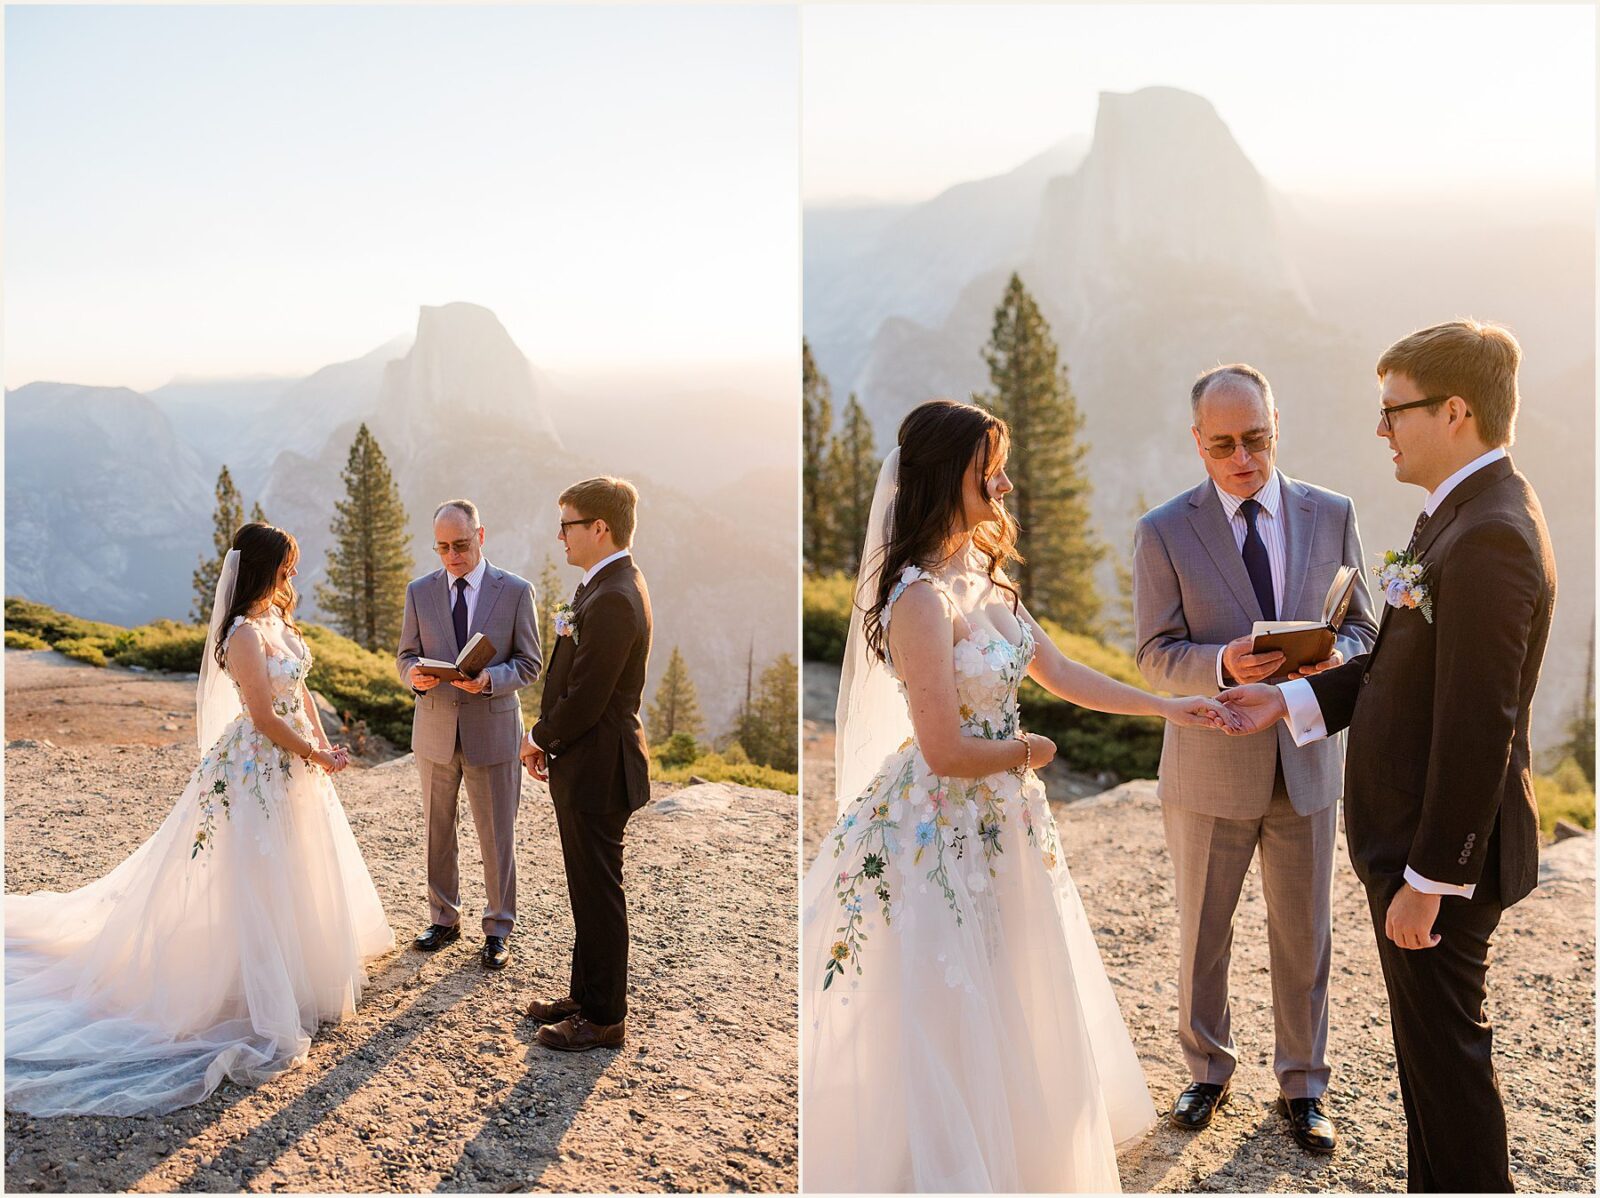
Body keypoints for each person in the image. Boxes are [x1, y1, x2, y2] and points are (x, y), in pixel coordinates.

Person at [801, 398, 1237, 1192]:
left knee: (1013, 980)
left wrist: (1172, 706)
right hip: (944, 829)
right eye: (987, 469)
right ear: (945, 478)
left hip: (1006, 819)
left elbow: (1064, 673)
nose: (1004, 483)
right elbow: (942, 749)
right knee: (949, 992)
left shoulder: (984, 577)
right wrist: (1028, 751)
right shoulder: (919, 601)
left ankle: (1017, 1154)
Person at [1219, 321, 1555, 1192]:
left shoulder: (1491, 534)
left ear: (1454, 411)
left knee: (1448, 1074)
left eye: (1394, 411)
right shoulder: (1461, 512)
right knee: (1428, 1073)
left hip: (1437, 863)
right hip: (1412, 852)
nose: (1382, 431)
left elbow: (1480, 721)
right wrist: (1289, 698)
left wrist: (1432, 877)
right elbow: (1402, 668)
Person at [5, 522, 394, 1116]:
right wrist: (312, 752)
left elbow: (303, 694)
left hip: (297, 760)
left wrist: (324, 743)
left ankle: (295, 973)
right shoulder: (241, 632)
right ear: (265, 567)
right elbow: (263, 715)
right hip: (261, 765)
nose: (295, 572)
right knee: (256, 868)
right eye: (286, 564)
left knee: (298, 862)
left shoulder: (277, 622)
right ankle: (249, 984)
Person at [1132, 364, 1377, 1152]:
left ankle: (1304, 1086)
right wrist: (1222, 664)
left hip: (1307, 763)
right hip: (1208, 766)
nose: (1245, 457)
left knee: (1305, 935)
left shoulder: (1333, 513)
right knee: (1204, 932)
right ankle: (1207, 1070)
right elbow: (1153, 654)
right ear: (1198, 444)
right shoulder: (1163, 530)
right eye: (1226, 444)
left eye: (1259, 439)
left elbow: (1367, 632)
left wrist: (1331, 654)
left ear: (1278, 425)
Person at [520, 477, 653, 1052]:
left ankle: (603, 1017)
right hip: (583, 762)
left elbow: (590, 696)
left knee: (599, 890)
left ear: (600, 528)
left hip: (601, 766)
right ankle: (584, 993)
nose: (561, 537)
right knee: (584, 885)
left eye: (568, 525)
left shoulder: (618, 596)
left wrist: (538, 737)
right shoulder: (600, 586)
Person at [397, 499, 541, 971]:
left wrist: (489, 680)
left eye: (460, 545)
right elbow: (406, 655)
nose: (452, 556)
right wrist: (413, 676)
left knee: (496, 835)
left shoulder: (517, 591)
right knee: (438, 832)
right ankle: (443, 919)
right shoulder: (419, 591)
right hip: (435, 731)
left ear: (481, 536)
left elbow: (530, 663)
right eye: (442, 548)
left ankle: (498, 928)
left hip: (493, 731)